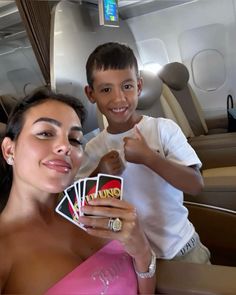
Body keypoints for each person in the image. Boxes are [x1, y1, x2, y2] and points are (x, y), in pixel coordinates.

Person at [0, 88, 156, 294]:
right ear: (10, 150)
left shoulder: (95, 209)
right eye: (45, 133)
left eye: (74, 139)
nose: (66, 147)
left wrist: (143, 251)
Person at [78, 42, 211, 264]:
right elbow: (82, 207)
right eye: (106, 89)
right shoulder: (93, 149)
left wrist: (150, 158)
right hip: (133, 258)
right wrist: (100, 174)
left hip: (182, 248)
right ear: (91, 94)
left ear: (139, 86)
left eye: (127, 86)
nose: (119, 98)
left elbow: (195, 185)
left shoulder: (163, 129)